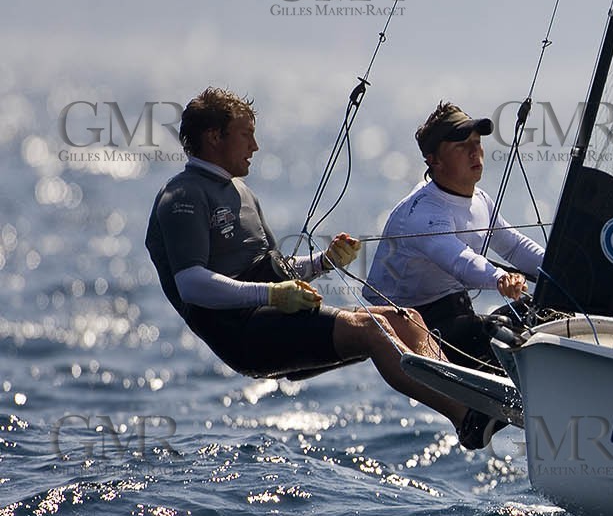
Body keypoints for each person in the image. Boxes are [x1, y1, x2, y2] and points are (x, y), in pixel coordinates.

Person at [145, 87, 504, 449]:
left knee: (406, 318)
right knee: (374, 330)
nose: (255, 146)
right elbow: (191, 283)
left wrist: (322, 262)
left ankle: (472, 396)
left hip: (270, 315)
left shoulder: (241, 193)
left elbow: (274, 268)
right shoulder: (182, 197)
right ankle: (467, 418)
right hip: (240, 333)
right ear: (213, 137)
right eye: (246, 135)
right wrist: (272, 294)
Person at [362, 102, 545, 372]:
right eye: (461, 145)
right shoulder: (423, 212)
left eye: (476, 141)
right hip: (414, 325)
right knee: (499, 333)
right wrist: (500, 278)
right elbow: (459, 259)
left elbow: (515, 247)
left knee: (543, 310)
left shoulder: (481, 200)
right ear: (434, 160)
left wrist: (561, 271)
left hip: (458, 315)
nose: (475, 151)